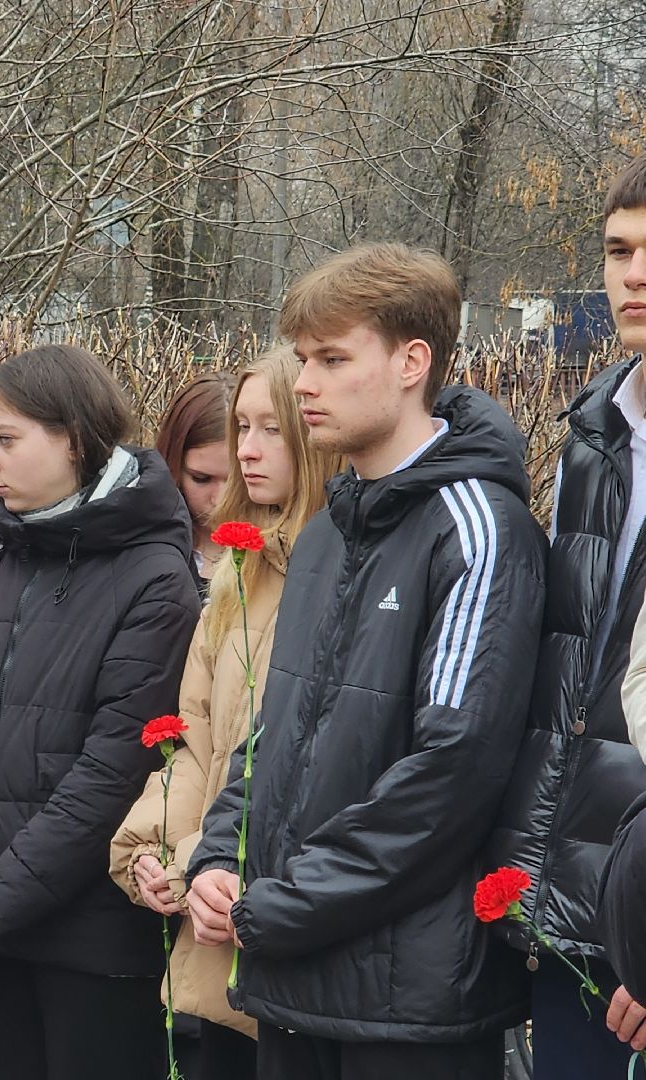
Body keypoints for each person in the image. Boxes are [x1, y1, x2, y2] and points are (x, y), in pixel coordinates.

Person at [186, 243, 546, 1080]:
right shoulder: (324, 534)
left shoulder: (477, 528)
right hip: (293, 978)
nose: (303, 381)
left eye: (332, 358)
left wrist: (281, 903)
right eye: (303, 358)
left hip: (406, 1003)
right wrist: (219, 860)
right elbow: (273, 730)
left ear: (413, 361)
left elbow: (452, 771)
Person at [0, 344, 200, 1080]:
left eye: (5, 438)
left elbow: (113, 769)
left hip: (89, 946)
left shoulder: (155, 579)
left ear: (75, 440)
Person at [109, 346, 342, 1079]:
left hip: (293, 923)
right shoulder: (237, 573)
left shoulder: (344, 568)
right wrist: (151, 852)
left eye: (271, 428)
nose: (247, 449)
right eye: (242, 426)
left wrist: (208, 870)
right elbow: (198, 742)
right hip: (210, 907)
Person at [493, 153, 646, 1074]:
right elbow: (570, 665)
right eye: (618, 250)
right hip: (577, 887)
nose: (636, 274)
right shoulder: (594, 432)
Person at [157, 371, 234, 585]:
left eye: (237, 481)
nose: (220, 500)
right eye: (201, 478)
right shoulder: (145, 546)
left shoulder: (284, 550)